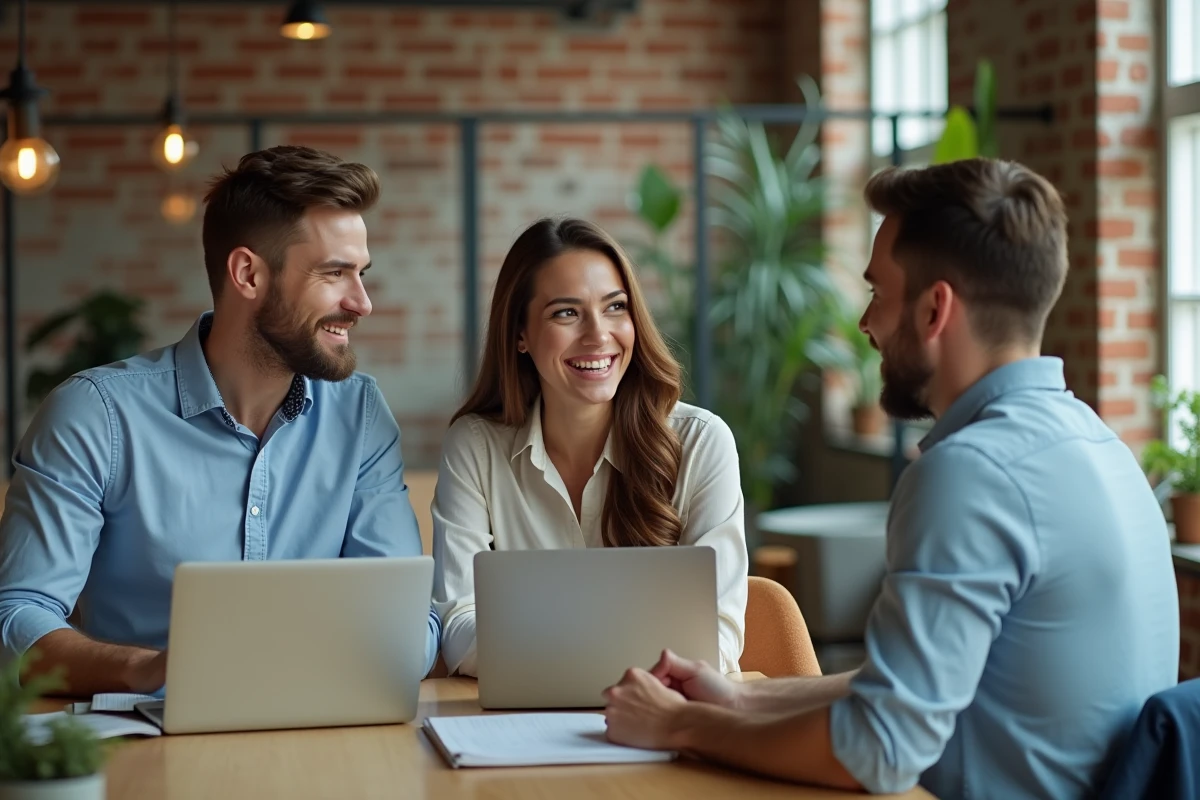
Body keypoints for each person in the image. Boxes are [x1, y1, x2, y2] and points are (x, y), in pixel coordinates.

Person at [601, 158, 1180, 799]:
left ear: (935, 310)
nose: (866, 323)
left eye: (878, 293)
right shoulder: (1099, 444)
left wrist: (681, 726)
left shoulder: (970, 474)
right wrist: (734, 699)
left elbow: (876, 750)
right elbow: (907, 687)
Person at [0, 145, 440, 693]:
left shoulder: (361, 416)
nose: (362, 302)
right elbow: (16, 618)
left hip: (323, 733)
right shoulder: (95, 416)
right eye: (335, 273)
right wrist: (152, 671)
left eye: (362, 273)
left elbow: (410, 622)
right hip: (147, 741)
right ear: (248, 274)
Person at [431, 217, 748, 677]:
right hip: (522, 725)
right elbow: (459, 624)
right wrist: (615, 659)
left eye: (615, 307)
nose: (599, 336)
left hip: (663, 716)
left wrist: (547, 655)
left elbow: (716, 637)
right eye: (566, 313)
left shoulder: (701, 443)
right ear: (520, 334)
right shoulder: (476, 447)